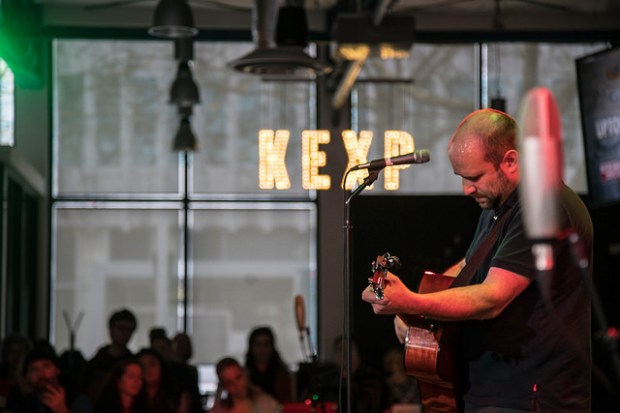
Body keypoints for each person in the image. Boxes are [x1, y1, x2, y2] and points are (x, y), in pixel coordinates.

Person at [361, 108, 593, 412]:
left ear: (510, 160)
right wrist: (415, 315)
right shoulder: (499, 207)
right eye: (461, 178)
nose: (466, 189)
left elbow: (491, 297)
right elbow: (466, 269)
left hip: (532, 397)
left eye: (474, 177)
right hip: (497, 393)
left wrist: (409, 303)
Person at [8, 344, 93, 413]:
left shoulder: (77, 401)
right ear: (26, 376)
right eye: (34, 369)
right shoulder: (24, 403)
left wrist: (62, 411)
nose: (41, 373)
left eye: (46, 366)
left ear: (57, 370)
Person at [82, 308, 138, 401]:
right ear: (111, 330)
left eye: (130, 330)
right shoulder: (95, 363)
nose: (126, 333)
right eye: (121, 328)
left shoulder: (132, 363)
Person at [210, 357, 280, 413]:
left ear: (245, 374)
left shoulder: (266, 404)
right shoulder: (218, 410)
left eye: (238, 377)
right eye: (230, 383)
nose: (237, 385)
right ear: (224, 386)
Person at [243, 326, 292, 403]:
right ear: (251, 348)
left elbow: (287, 402)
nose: (262, 349)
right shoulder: (243, 374)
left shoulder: (282, 374)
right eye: (258, 345)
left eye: (266, 344)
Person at [136, 348, 191, 413]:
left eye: (152, 364)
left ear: (161, 367)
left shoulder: (178, 398)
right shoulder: (132, 398)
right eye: (142, 366)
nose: (147, 369)